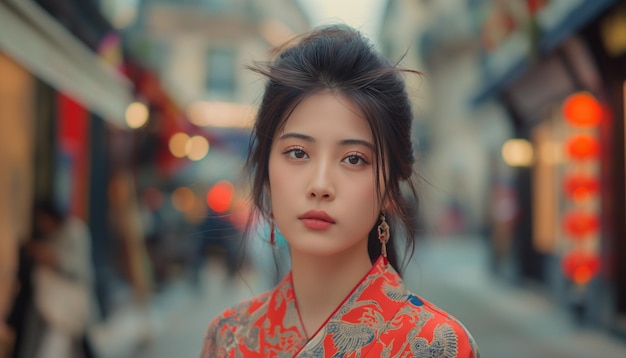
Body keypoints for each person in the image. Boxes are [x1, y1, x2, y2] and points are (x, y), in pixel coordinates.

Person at [200, 24, 480, 357]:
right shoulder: (229, 336)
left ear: (391, 187)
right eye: (298, 153)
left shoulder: (437, 345)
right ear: (266, 174)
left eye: (353, 159)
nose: (320, 185)